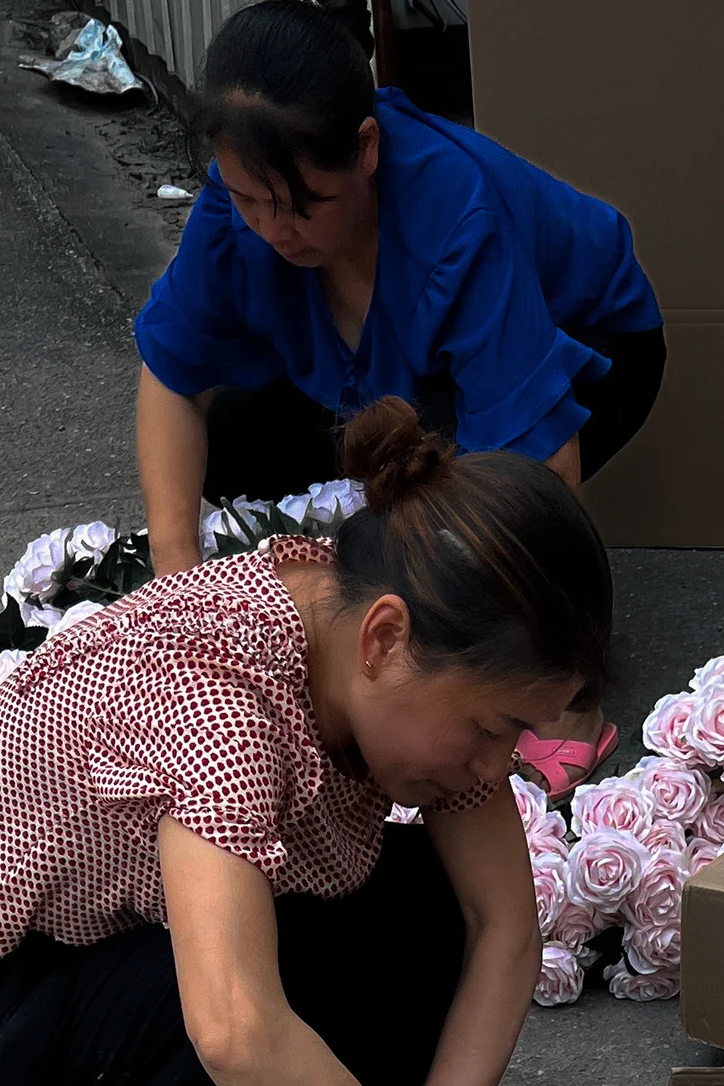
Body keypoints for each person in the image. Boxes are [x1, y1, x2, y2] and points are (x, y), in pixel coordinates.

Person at [0, 398, 611, 1086]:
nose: (497, 767)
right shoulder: (220, 708)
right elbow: (233, 1030)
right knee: (260, 1002)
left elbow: (501, 920)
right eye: (491, 728)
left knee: (423, 909)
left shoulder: (362, 635)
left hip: (121, 916)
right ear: (386, 638)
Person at [133, 0, 661, 789]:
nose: (276, 228)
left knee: (450, 500)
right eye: (250, 200)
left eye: (303, 202)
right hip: (382, 377)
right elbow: (171, 377)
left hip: (592, 350)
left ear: (367, 148)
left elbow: (540, 465)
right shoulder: (235, 204)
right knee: (237, 447)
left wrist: (549, 689)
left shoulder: (457, 213)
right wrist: (175, 584)